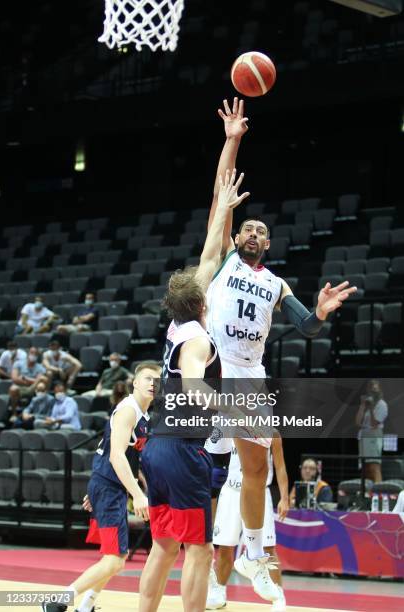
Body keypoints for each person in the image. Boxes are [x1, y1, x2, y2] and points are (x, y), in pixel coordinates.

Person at [204, 97, 357, 602]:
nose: (252, 232)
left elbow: (307, 329)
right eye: (248, 227)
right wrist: (233, 140)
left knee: (256, 469)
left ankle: (248, 554)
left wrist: (321, 312)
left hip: (252, 374)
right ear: (238, 235)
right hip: (215, 366)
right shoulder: (224, 257)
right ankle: (229, 559)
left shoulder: (276, 285)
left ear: (267, 245)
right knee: (236, 468)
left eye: (261, 231)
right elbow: (221, 196)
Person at [138, 170, 249, 612]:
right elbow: (191, 382)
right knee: (199, 549)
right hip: (183, 451)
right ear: (204, 304)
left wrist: (223, 207)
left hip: (157, 447)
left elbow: (208, 254)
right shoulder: (198, 339)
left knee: (164, 546)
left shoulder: (176, 325)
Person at [41, 362, 161, 612]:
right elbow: (116, 456)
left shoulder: (144, 415)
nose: (153, 384)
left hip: (106, 487)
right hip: (108, 487)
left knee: (116, 557)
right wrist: (138, 495)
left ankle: (86, 607)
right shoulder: (128, 410)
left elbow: (120, 454)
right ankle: (58, 603)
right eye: (148, 378)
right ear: (135, 382)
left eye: (157, 380)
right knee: (115, 559)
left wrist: (102, 486)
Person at [207, 432, 289, 611]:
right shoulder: (227, 427)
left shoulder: (271, 432)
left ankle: (278, 595)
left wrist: (284, 497)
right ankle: (218, 592)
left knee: (267, 548)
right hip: (230, 490)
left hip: (259, 493)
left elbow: (280, 466)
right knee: (224, 547)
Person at [356, 379, 388, 483]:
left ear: (380, 390)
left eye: (375, 388)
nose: (373, 391)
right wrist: (362, 406)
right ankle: (366, 492)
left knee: (374, 465)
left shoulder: (382, 405)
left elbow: (374, 424)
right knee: (365, 467)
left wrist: (370, 408)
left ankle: (378, 492)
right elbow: (357, 422)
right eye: (371, 388)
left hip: (374, 436)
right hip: (364, 436)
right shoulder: (366, 405)